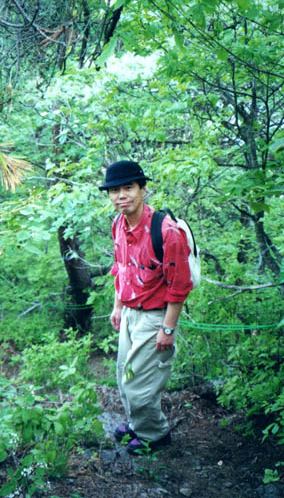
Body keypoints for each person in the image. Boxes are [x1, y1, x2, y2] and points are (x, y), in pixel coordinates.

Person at [99, 160, 193, 455]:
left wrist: (168, 328)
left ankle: (155, 435)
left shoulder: (165, 232)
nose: (121, 195)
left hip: (155, 317)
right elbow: (121, 269)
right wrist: (117, 307)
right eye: (114, 190)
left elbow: (179, 285)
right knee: (124, 375)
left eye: (128, 187)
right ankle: (138, 425)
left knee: (141, 383)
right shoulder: (118, 224)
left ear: (142, 190)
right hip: (129, 312)